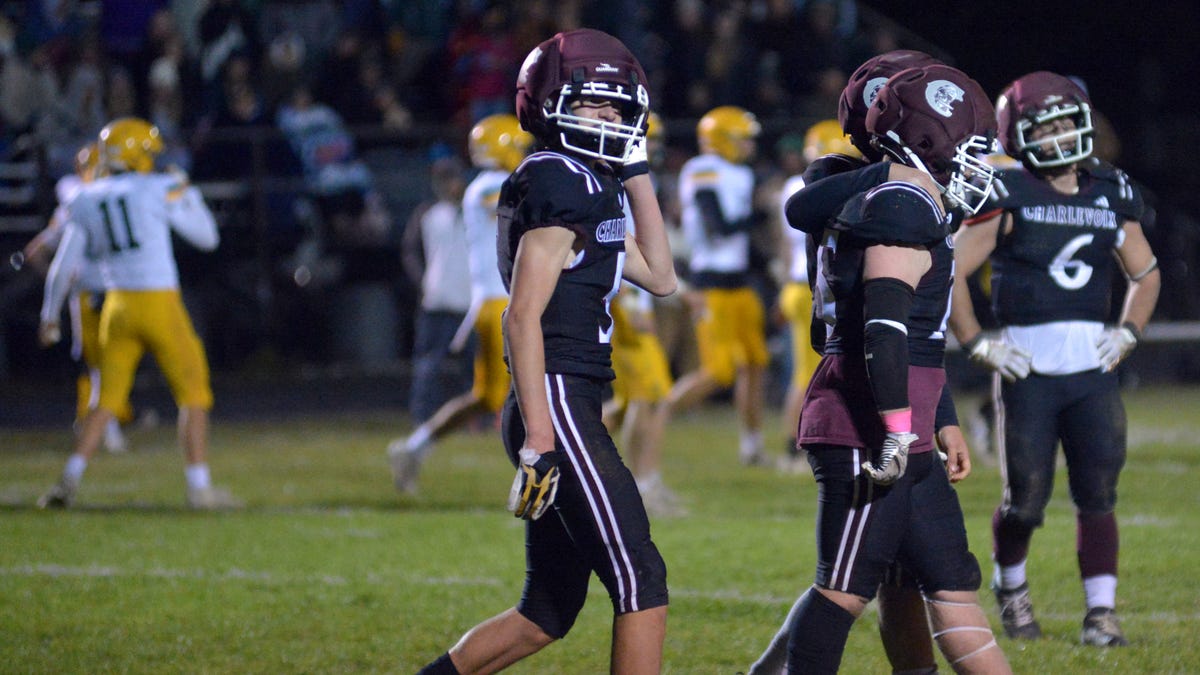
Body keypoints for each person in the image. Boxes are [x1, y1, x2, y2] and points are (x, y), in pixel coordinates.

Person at [414, 28, 676, 674]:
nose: (609, 117)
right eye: (594, 104)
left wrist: (636, 170)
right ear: (551, 103)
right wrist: (539, 436)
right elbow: (522, 315)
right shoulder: (558, 176)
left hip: (572, 395)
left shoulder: (592, 181)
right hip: (555, 400)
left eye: (618, 106)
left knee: (547, 610)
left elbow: (661, 275)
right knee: (640, 576)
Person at [749, 51, 981, 675]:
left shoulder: (903, 191)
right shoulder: (876, 191)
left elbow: (920, 332)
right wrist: (894, 171)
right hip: (865, 397)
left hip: (903, 388)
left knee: (912, 578)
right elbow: (884, 323)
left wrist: (942, 416)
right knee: (847, 583)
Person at [948, 71, 1160, 647]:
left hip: (1092, 370)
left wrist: (1130, 332)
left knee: (1099, 495)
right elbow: (951, 273)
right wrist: (976, 341)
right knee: (1025, 502)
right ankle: (1011, 587)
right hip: (1030, 371)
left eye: (1067, 123)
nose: (1060, 136)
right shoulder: (1008, 191)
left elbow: (1145, 273)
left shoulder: (1109, 190)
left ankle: (1101, 613)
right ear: (1019, 137)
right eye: (1045, 128)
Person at [36, 117, 237, 510]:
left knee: (105, 399)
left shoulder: (86, 197)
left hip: (116, 306)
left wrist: (49, 316)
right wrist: (188, 193)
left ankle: (67, 481)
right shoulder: (157, 188)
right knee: (194, 392)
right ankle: (199, 488)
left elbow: (62, 265)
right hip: (158, 301)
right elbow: (208, 238)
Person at [389, 113, 532, 495]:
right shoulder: (491, 187)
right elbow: (520, 213)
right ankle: (536, 475)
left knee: (487, 397)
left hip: (496, 303)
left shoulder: (491, 185)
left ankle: (413, 447)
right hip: (503, 305)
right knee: (537, 391)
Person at [669, 105, 771, 466]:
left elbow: (737, 235)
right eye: (743, 139)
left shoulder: (740, 173)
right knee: (717, 371)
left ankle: (752, 446)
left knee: (755, 363)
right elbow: (719, 226)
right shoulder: (703, 168)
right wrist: (761, 214)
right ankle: (653, 416)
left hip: (739, 282)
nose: (749, 145)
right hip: (709, 282)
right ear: (722, 139)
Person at [23, 142, 132, 455]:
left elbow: (35, 253)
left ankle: (103, 422)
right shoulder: (82, 202)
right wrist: (62, 285)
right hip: (99, 292)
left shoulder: (98, 199)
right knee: (100, 364)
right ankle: (104, 427)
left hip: (112, 291)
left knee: (107, 363)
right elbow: (36, 252)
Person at [604, 113, 684, 517]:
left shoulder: (630, 179)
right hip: (625, 302)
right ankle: (641, 483)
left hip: (632, 299)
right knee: (648, 395)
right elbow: (619, 244)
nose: (653, 146)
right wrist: (634, 304)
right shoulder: (616, 182)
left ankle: (574, 466)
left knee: (630, 401)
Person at [775, 119, 860, 472]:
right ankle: (791, 447)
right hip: (810, 287)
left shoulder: (793, 185)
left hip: (799, 284)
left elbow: (784, 246)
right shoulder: (820, 187)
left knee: (813, 370)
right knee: (807, 373)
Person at [399, 156, 473, 428]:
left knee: (476, 366)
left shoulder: (476, 210)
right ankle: (422, 417)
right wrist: (423, 282)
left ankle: (477, 418)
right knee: (428, 364)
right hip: (437, 301)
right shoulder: (427, 213)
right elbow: (411, 251)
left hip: (471, 301)